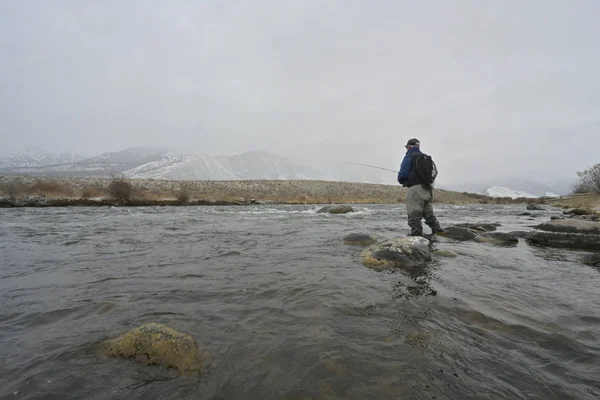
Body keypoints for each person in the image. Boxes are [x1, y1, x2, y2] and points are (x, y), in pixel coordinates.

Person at [397, 138, 444, 236]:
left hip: (415, 189)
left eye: (406, 147)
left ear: (409, 147)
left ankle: (416, 234)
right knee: (428, 213)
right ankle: (438, 232)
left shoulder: (409, 156)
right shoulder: (426, 158)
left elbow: (403, 174)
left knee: (413, 212)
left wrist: (401, 180)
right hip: (428, 189)